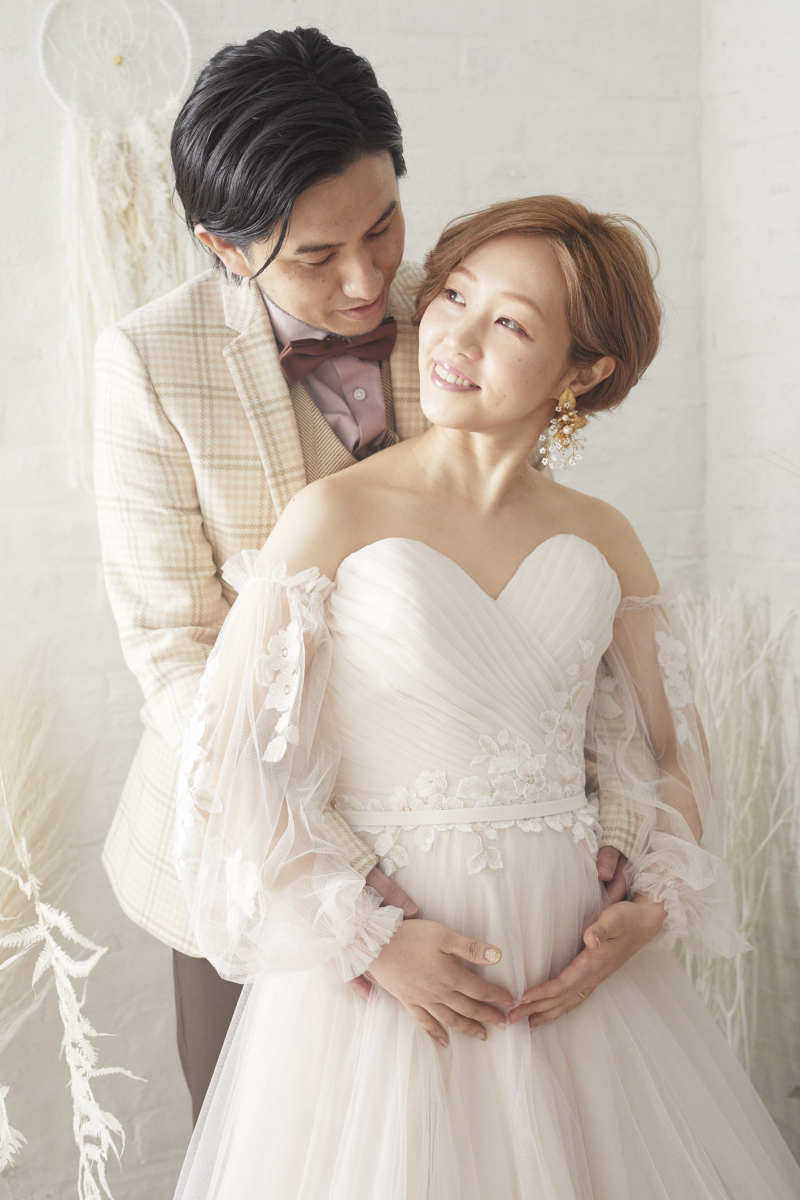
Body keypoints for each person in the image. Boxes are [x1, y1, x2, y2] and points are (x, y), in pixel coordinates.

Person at [171, 196, 800, 1197]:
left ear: (582, 372)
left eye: (508, 322)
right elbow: (232, 758)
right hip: (395, 973)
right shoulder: (334, 514)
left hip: (571, 968)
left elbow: (675, 747)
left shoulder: (602, 534)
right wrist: (371, 944)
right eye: (453, 296)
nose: (453, 339)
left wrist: (654, 900)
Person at [94, 28, 647, 1122]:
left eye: (383, 226)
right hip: (251, 851)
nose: (367, 281)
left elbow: (524, 597)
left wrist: (611, 830)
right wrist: (347, 898)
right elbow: (177, 653)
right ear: (222, 247)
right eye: (315, 257)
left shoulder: (456, 316)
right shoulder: (152, 365)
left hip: (483, 863)